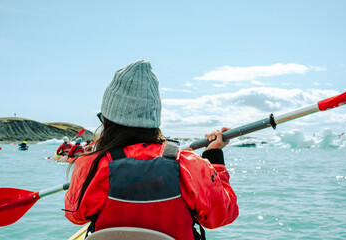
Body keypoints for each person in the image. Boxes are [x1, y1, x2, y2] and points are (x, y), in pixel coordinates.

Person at [64, 60, 239, 240]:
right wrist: (214, 157)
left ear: (108, 122)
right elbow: (223, 214)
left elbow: (75, 216)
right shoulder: (190, 164)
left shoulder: (91, 165)